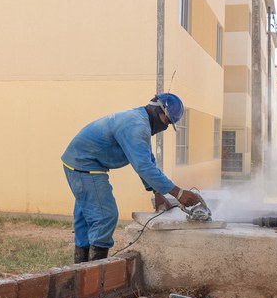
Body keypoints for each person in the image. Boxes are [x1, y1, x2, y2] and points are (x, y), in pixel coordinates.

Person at [61, 93, 201, 263]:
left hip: (78, 161)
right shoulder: (137, 126)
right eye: (167, 121)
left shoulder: (140, 120)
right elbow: (143, 167)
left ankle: (79, 272)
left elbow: (146, 159)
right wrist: (178, 193)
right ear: (158, 110)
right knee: (105, 216)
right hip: (84, 164)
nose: (165, 127)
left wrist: (156, 192)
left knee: (86, 217)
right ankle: (92, 275)